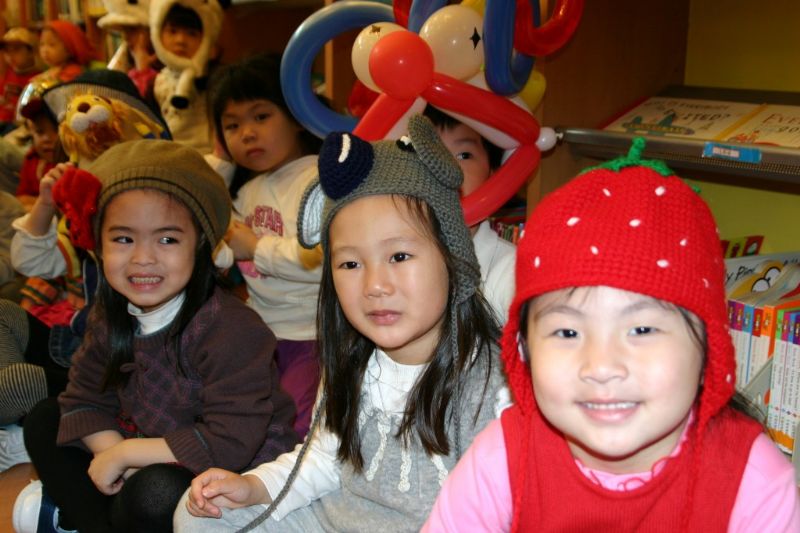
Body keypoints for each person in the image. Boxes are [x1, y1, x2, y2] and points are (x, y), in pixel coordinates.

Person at [422, 139, 800, 532]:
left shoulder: (753, 483)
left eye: (642, 329)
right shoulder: (501, 459)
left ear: (709, 347)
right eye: (567, 332)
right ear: (524, 349)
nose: (601, 366)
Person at [173, 115, 510, 532]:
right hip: (333, 519)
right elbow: (325, 459)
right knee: (198, 515)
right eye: (350, 264)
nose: (375, 285)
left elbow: (499, 509)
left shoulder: (493, 381)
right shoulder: (354, 358)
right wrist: (255, 486)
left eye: (399, 256)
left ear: (452, 257)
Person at [13, 139, 298, 533]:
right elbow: (83, 397)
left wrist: (127, 455)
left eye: (167, 239)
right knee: (46, 420)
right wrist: (115, 455)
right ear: (99, 245)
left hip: (233, 477)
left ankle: (91, 515)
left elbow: (231, 442)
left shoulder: (233, 329)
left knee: (157, 491)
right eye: (123, 239)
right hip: (153, 452)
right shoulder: (111, 315)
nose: (143, 258)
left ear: (200, 244)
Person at [207, 53, 323, 439]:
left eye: (261, 116)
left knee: (296, 429)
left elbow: (321, 262)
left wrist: (256, 248)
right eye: (232, 125)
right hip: (261, 332)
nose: (247, 133)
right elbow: (219, 246)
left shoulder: (318, 179)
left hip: (310, 334)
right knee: (241, 416)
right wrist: (220, 166)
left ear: (297, 113)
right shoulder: (247, 190)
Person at [425, 105, 515, 324]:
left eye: (463, 155)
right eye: (427, 151)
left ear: (493, 175)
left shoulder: (513, 271)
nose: (445, 167)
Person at [150, 0, 223, 154]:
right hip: (169, 154)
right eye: (173, 31)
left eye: (191, 34)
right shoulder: (156, 80)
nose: (181, 40)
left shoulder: (215, 77)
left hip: (208, 154)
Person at [98, 0, 160, 102]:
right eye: (124, 30)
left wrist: (142, 70)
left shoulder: (166, 65)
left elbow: (140, 105)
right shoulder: (127, 55)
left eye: (132, 29)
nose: (125, 37)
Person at [15, 108, 57, 211]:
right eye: (40, 132)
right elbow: (21, 198)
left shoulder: (69, 164)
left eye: (56, 130)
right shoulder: (31, 159)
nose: (47, 138)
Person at [0, 27, 42, 131]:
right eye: (7, 51)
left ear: (31, 51)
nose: (10, 56)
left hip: (18, 126)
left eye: (16, 50)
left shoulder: (38, 78)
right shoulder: (8, 72)